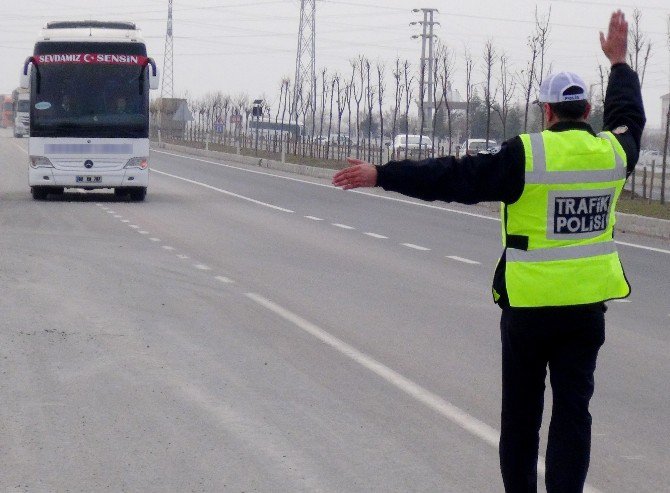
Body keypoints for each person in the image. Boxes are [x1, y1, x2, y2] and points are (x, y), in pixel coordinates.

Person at [332, 10, 644, 493]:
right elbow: (630, 118)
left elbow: (452, 177)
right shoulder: (615, 154)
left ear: (545, 111)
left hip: (529, 309)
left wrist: (383, 174)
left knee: (521, 420)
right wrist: (619, 63)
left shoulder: (525, 155)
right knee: (572, 415)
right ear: (587, 112)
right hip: (585, 310)